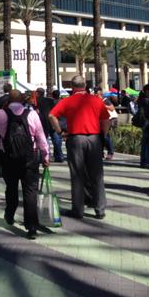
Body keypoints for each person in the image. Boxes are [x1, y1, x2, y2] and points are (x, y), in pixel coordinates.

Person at [0, 90, 50, 239]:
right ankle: (32, 227)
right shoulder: (32, 114)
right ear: (23, 100)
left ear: (8, 100)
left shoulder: (1, 114)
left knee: (11, 188)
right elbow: (41, 137)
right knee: (30, 192)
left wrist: (0, 128)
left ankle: (9, 215)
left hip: (8, 159)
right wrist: (46, 156)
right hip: (30, 158)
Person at [49, 75, 110, 220]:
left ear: (72, 86)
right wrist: (103, 135)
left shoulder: (67, 101)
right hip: (94, 139)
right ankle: (100, 209)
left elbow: (52, 116)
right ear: (85, 85)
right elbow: (106, 120)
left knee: (77, 175)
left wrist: (60, 132)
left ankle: (78, 210)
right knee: (97, 175)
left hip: (75, 139)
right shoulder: (96, 100)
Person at [136, 84, 149, 168]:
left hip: (146, 123)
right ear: (147, 90)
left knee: (145, 143)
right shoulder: (146, 100)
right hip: (148, 123)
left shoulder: (144, 99)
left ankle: (144, 161)